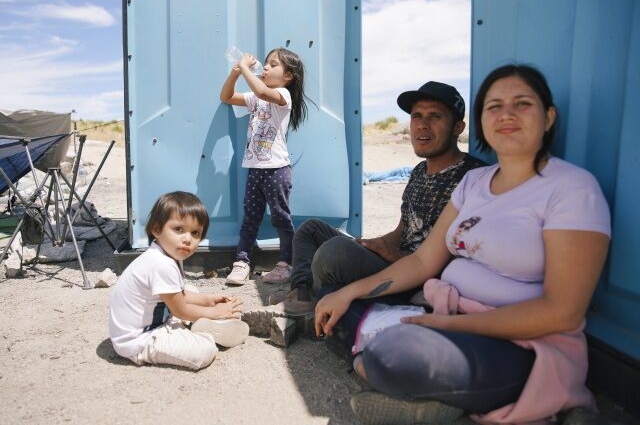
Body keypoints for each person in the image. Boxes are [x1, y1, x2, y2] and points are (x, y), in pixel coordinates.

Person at [315, 65, 611, 424]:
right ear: (484, 121)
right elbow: (424, 262)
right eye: (494, 106)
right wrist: (352, 292)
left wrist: (444, 327)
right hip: (442, 315)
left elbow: (562, 311)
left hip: (518, 342)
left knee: (392, 354)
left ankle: (408, 380)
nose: (506, 114)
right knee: (332, 298)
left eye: (522, 104)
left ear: (548, 117)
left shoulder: (571, 188)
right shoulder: (475, 182)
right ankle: (432, 398)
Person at [274, 81, 485, 321]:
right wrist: (373, 245)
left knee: (333, 253)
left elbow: (458, 261)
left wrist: (391, 255)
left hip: (417, 279)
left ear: (458, 127)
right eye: (417, 116)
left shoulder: (473, 178)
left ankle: (314, 309)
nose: (423, 125)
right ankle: (301, 294)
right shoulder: (418, 172)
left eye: (435, 116)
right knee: (310, 229)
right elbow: (403, 230)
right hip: (395, 261)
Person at [109, 192, 249, 370]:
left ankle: (193, 325)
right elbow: (180, 308)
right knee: (204, 351)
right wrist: (217, 313)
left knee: (190, 289)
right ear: (156, 229)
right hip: (137, 341)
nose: (187, 239)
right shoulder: (162, 264)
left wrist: (208, 300)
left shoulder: (166, 254)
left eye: (195, 233)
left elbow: (180, 294)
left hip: (155, 320)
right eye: (178, 229)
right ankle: (200, 333)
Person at [219, 48, 310, 286]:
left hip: (277, 169)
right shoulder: (256, 98)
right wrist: (236, 72)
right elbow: (226, 97)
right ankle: (241, 262)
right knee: (251, 217)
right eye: (266, 64)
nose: (266, 68)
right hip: (255, 168)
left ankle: (286, 264)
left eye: (273, 64)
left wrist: (247, 68)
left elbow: (261, 89)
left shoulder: (283, 95)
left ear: (288, 76)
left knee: (281, 217)